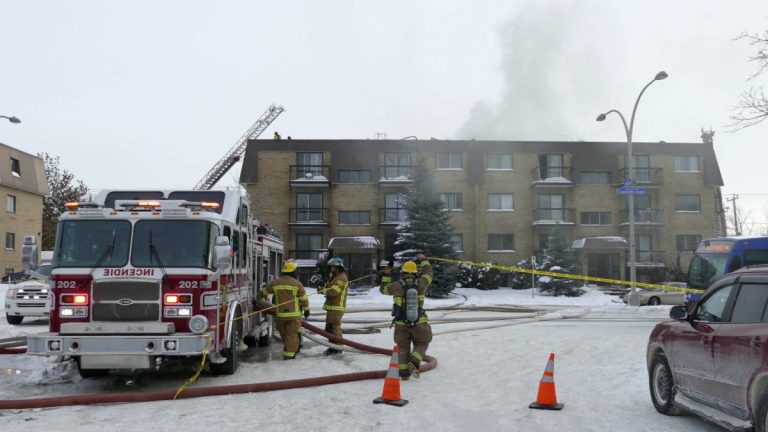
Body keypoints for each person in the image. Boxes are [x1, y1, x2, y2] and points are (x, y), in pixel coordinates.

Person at [379, 254, 432, 380]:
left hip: (401, 324)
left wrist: (386, 275)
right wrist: (423, 260)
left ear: (402, 272)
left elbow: (383, 290)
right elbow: (429, 272)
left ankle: (403, 373)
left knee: (402, 346)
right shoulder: (422, 283)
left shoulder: (396, 285)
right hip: (419, 322)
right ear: (415, 272)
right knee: (422, 342)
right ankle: (415, 359)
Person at [258, 259, 309, 360]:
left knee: (285, 335)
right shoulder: (297, 284)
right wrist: (307, 310)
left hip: (280, 315)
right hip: (293, 316)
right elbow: (304, 299)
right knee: (291, 335)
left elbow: (264, 292)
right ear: (294, 271)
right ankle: (289, 357)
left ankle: (289, 351)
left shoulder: (276, 282)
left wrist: (258, 297)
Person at [319, 257, 348, 355]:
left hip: (336, 307)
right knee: (329, 329)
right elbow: (330, 288)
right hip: (332, 307)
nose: (331, 269)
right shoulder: (336, 277)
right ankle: (333, 347)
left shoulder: (341, 278)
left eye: (333, 267)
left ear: (338, 267)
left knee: (334, 329)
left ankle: (336, 348)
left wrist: (323, 291)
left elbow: (334, 292)